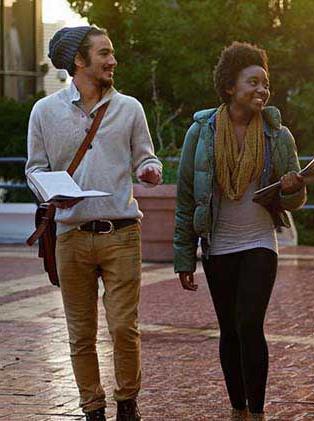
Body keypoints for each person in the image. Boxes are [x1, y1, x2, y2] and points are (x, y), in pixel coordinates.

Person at [25, 26, 162, 421]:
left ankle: (127, 403)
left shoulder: (130, 108)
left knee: (123, 327)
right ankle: (92, 409)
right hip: (70, 236)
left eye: (112, 53)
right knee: (81, 334)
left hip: (121, 233)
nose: (113, 61)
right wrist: (49, 192)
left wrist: (150, 170)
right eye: (104, 54)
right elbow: (34, 169)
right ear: (79, 62)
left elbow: (145, 158)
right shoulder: (44, 111)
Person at [173, 42, 306, 421]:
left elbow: (292, 203)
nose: (261, 90)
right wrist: (184, 256)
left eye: (265, 83)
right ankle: (238, 408)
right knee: (229, 329)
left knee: (249, 322)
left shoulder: (278, 136)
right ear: (230, 86)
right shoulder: (201, 133)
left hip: (260, 241)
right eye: (253, 82)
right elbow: (186, 198)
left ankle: (258, 410)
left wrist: (295, 187)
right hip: (218, 244)